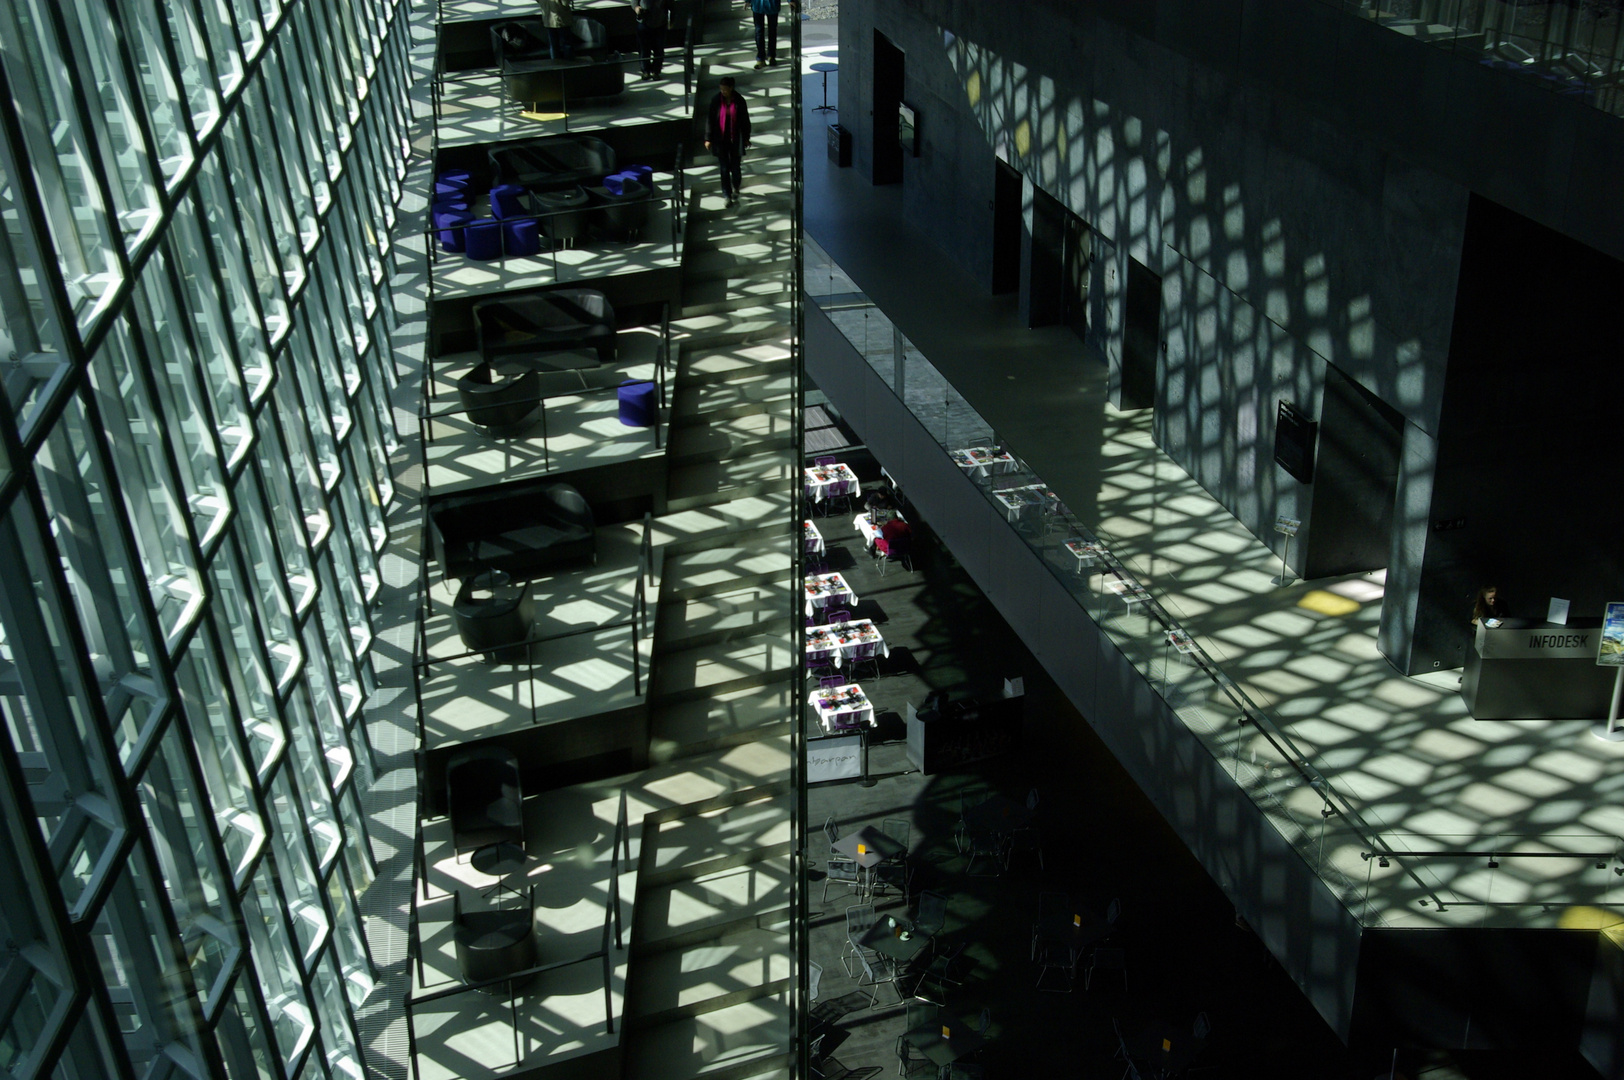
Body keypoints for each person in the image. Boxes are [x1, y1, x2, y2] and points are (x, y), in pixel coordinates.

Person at [704, 76, 751, 207]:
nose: (723, 92)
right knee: (724, 169)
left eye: (725, 89)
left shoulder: (739, 101)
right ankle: (727, 195)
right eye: (721, 89)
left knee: (736, 169)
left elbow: (745, 120)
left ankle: (736, 186)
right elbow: (710, 120)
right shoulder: (716, 101)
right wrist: (708, 137)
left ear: (731, 88)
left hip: (735, 139)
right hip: (721, 140)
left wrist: (746, 137)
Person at [749, 0, 798, 69]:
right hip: (758, 5)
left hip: (771, 5)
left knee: (772, 31)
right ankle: (761, 58)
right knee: (759, 32)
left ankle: (771, 56)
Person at [631, 0, 669, 80]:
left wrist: (672, 19)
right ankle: (646, 71)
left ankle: (656, 71)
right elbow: (634, 2)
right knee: (644, 49)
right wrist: (637, 8)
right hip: (644, 21)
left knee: (658, 49)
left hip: (660, 22)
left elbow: (670, 4)